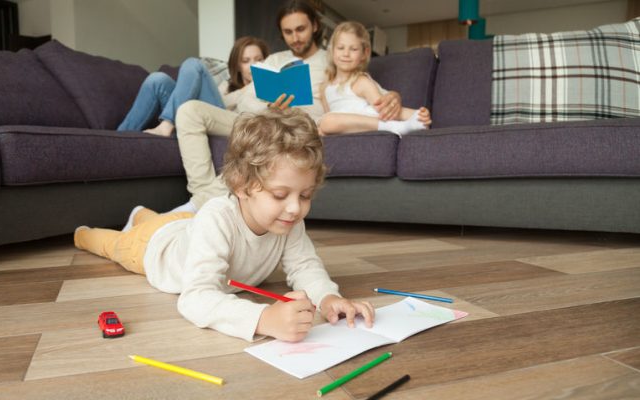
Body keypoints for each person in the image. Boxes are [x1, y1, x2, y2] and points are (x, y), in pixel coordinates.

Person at [74, 108, 375, 342]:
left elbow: (305, 266)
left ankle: (143, 214)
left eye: (306, 195)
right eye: (281, 195)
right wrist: (263, 319)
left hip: (187, 226)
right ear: (241, 186)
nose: (296, 208)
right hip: (153, 248)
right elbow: (195, 298)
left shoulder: (288, 220)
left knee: (159, 220)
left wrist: (328, 298)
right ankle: (83, 234)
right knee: (112, 245)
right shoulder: (217, 217)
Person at [172, 0, 405, 214]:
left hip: (297, 125)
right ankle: (201, 196)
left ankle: (196, 207)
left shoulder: (332, 58)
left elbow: (366, 88)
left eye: (300, 29)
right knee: (190, 110)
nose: (295, 38)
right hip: (262, 118)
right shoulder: (273, 60)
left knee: (268, 131)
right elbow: (244, 96)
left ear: (314, 26)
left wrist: (393, 95)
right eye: (288, 32)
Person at [117, 36, 269, 137]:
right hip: (197, 113)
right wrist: (243, 89)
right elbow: (221, 103)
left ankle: (167, 124)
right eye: (246, 60)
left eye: (258, 59)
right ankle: (118, 138)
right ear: (237, 65)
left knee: (193, 64)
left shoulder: (266, 88)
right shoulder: (227, 84)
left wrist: (253, 88)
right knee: (158, 79)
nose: (253, 65)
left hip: (224, 124)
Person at [319, 21, 431, 136]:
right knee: (323, 126)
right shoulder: (324, 88)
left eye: (353, 49)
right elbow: (329, 121)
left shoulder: (360, 81)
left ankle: (405, 122)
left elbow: (384, 111)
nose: (346, 53)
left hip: (370, 121)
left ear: (364, 54)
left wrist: (419, 115)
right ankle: (410, 121)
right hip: (342, 130)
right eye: (340, 48)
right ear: (332, 51)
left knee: (326, 121)